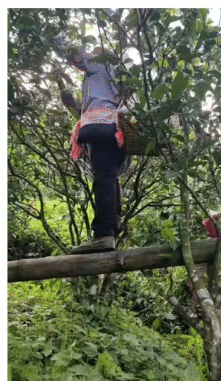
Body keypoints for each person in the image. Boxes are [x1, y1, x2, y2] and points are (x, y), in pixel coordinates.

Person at [55, 39, 128, 254]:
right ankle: (112, 228)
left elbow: (72, 53)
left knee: (103, 178)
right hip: (115, 129)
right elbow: (84, 106)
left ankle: (104, 234)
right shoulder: (117, 75)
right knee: (109, 177)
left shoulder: (99, 64)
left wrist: (58, 37)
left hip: (102, 125)